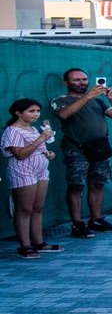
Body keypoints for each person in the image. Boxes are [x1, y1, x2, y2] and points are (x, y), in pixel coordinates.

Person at [52, 68, 112, 237]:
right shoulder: (61, 100)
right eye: (77, 80)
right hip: (76, 149)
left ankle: (96, 219)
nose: (82, 83)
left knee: (98, 184)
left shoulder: (98, 102)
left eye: (84, 79)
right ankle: (77, 224)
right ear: (66, 82)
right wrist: (88, 96)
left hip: (99, 147)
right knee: (76, 186)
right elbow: (64, 114)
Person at [4, 99, 60, 259]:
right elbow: (20, 154)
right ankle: (25, 245)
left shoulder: (33, 129)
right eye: (31, 111)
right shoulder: (12, 131)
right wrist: (41, 138)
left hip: (41, 170)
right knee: (24, 209)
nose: (35, 114)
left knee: (37, 207)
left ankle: (39, 242)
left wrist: (49, 154)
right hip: (23, 171)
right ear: (18, 113)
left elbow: (40, 149)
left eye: (37, 111)